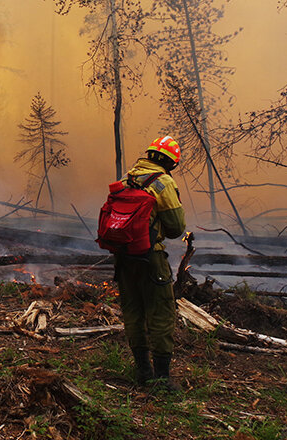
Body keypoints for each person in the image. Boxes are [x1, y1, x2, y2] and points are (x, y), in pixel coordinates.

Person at [115, 136, 186, 391]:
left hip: (123, 257)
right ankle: (162, 378)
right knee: (161, 312)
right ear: (170, 162)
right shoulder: (162, 182)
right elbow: (176, 227)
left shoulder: (127, 179)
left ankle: (142, 371)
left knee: (133, 310)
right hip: (151, 258)